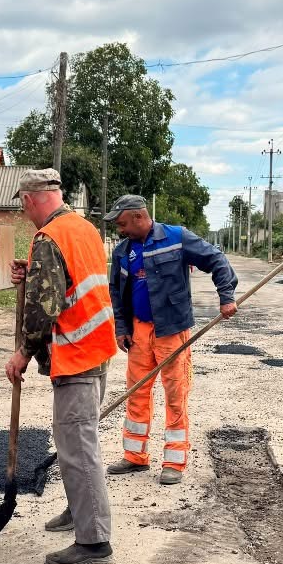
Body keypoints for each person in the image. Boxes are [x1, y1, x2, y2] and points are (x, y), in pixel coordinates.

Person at [4, 168, 118, 564]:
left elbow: (44, 309)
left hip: (76, 356)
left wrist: (23, 351)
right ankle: (79, 510)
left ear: (30, 200)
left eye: (23, 205)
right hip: (97, 348)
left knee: (77, 447)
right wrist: (32, 271)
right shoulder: (82, 228)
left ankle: (94, 542)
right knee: (78, 441)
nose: (25, 212)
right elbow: (69, 281)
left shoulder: (49, 238)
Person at [103, 193, 238, 486]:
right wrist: (121, 328)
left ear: (139, 217)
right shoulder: (122, 251)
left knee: (175, 395)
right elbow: (117, 292)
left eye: (123, 223)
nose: (120, 230)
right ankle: (135, 457)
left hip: (172, 330)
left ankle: (174, 462)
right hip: (138, 332)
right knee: (136, 392)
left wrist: (226, 297)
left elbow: (216, 260)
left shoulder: (176, 237)